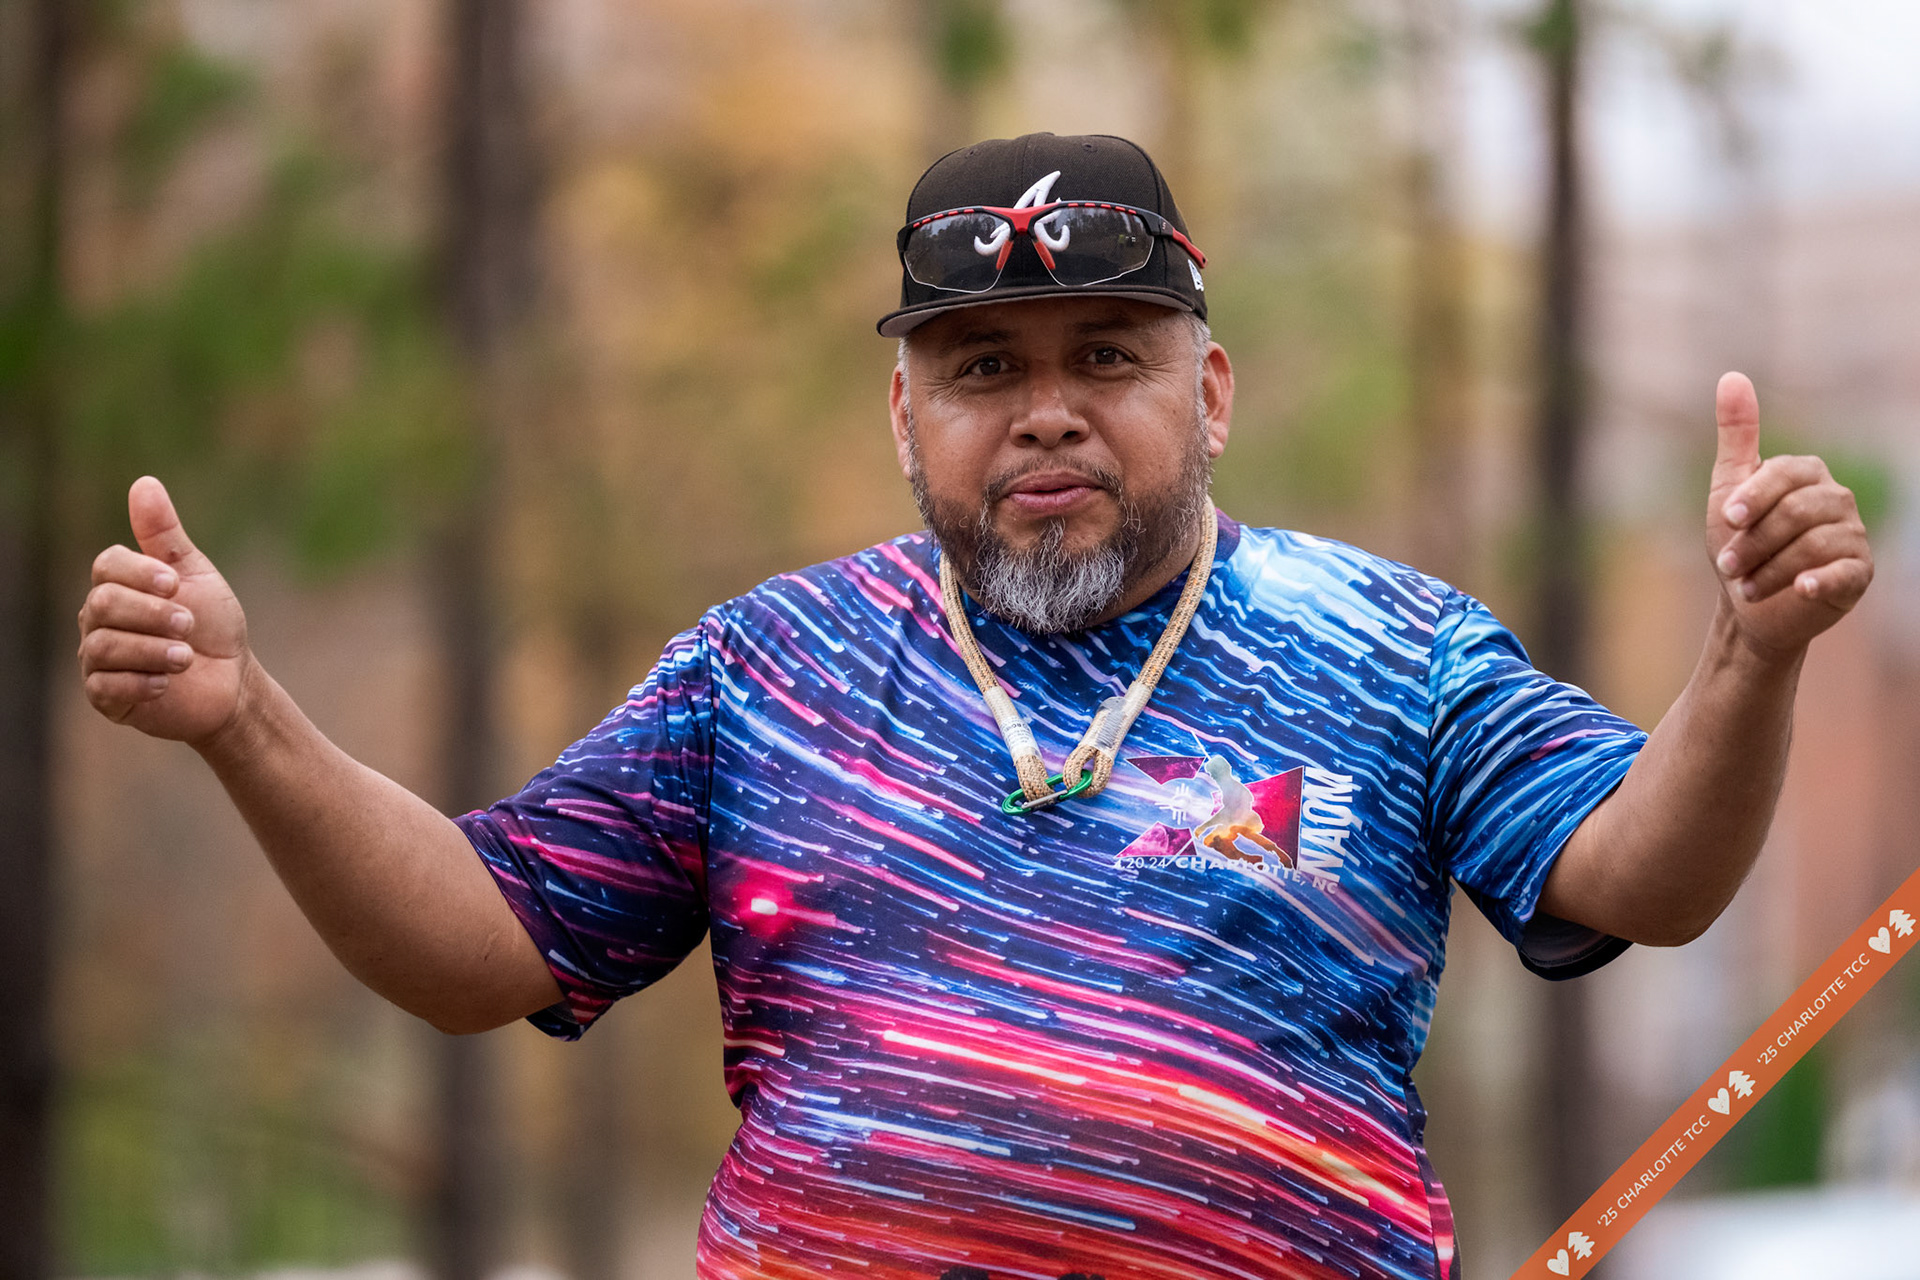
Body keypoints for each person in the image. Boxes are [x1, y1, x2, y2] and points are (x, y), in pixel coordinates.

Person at [76, 133, 1873, 1280]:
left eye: (1110, 357)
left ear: (1213, 387)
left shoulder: (1391, 644)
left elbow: (1647, 876)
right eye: (982, 369)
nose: (1046, 411)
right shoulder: (762, 668)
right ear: (906, 413)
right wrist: (246, 719)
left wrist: (1755, 651)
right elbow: (483, 946)